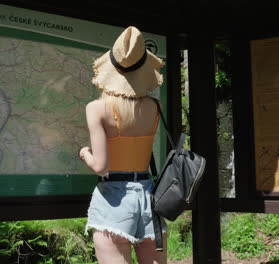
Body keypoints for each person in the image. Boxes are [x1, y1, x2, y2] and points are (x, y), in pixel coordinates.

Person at [79, 26, 167, 264]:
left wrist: (85, 153)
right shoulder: (153, 108)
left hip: (114, 198)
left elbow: (101, 166)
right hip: (149, 196)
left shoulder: (96, 108)